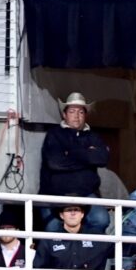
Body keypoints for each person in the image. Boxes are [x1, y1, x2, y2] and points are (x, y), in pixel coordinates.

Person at [39, 92, 110, 233]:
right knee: (53, 228)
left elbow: (102, 159)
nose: (76, 116)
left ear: (86, 115)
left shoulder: (93, 136)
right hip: (55, 194)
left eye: (81, 112)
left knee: (102, 220)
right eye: (72, 111)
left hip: (86, 194)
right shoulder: (54, 134)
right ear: (64, 115)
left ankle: (85, 251)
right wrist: (88, 156)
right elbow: (55, 162)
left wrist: (70, 152)